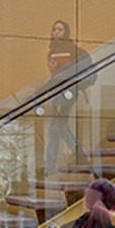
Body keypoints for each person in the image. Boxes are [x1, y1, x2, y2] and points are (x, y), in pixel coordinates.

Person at [43, 20, 92, 175]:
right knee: (55, 129)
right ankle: (50, 166)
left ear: (66, 32)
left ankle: (74, 156)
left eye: (60, 29)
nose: (56, 32)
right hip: (58, 92)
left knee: (57, 127)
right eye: (54, 30)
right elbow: (55, 76)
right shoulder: (52, 51)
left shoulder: (74, 50)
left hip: (68, 93)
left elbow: (71, 73)